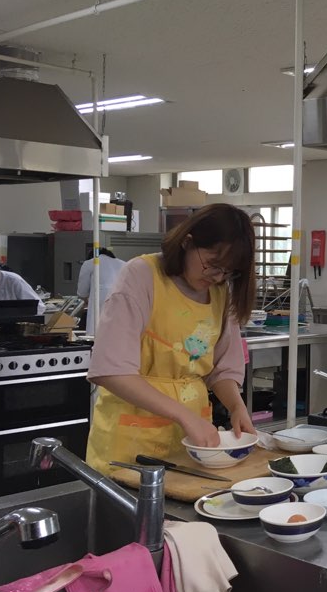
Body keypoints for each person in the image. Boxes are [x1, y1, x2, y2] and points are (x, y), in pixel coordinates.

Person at [85, 204, 258, 475]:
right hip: (131, 439)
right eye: (212, 265)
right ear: (187, 242)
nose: (217, 277)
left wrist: (236, 406)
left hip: (193, 441)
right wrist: (184, 415)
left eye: (228, 271)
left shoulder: (220, 291)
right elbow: (112, 371)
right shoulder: (142, 276)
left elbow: (222, 368)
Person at [76, 247, 127, 335]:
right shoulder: (123, 264)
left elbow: (82, 291)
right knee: (117, 332)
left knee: (97, 332)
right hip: (120, 302)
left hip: (99, 302)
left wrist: (84, 299)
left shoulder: (90, 263)